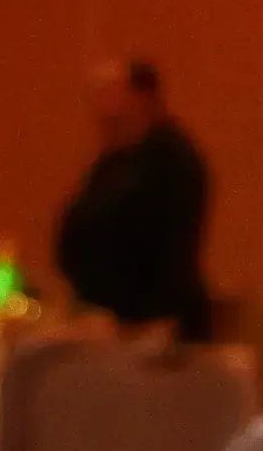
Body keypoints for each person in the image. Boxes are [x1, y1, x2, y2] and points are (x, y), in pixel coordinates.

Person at [52, 57, 214, 342]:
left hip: (155, 324)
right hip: (108, 320)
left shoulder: (173, 162)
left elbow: (162, 246)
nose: (103, 110)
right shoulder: (112, 162)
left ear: (141, 98)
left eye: (113, 97)